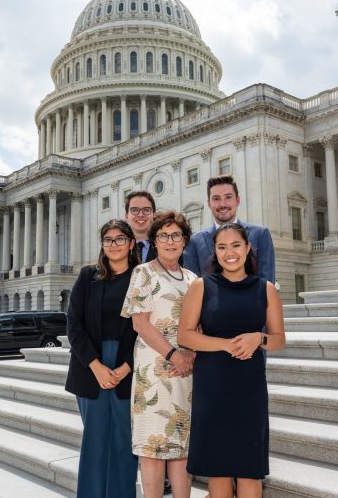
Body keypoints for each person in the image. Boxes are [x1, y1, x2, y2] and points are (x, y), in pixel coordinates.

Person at [178, 223, 285, 498]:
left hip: (249, 387)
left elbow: (278, 339)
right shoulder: (201, 286)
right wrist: (226, 345)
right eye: (222, 247)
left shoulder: (267, 288)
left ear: (248, 248)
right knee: (219, 469)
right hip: (212, 386)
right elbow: (185, 336)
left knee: (250, 470)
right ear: (215, 251)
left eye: (236, 245)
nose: (230, 253)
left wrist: (256, 339)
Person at [122, 210, 197, 498]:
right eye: (163, 235)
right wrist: (174, 355)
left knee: (181, 447)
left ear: (184, 240)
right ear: (154, 241)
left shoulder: (193, 278)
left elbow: (199, 323)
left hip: (185, 371)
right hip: (153, 370)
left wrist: (190, 355)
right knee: (152, 450)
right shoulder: (143, 273)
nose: (169, 241)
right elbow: (139, 323)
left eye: (175, 235)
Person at [65, 219, 139, 498]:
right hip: (90, 367)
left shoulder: (143, 278)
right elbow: (74, 324)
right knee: (95, 441)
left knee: (124, 441)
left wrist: (125, 367)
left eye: (120, 239)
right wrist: (96, 365)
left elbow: (148, 327)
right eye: (108, 239)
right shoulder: (87, 276)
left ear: (131, 243)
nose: (114, 245)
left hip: (129, 365)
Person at [184, 175, 275, 283]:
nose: (222, 204)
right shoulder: (194, 241)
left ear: (237, 200)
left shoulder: (260, 234)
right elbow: (192, 285)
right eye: (216, 198)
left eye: (228, 197)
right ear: (209, 203)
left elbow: (267, 283)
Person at [125, 190, 157, 263]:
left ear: (154, 214)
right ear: (127, 216)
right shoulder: (118, 247)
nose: (140, 215)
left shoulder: (166, 245)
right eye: (134, 210)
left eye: (146, 210)